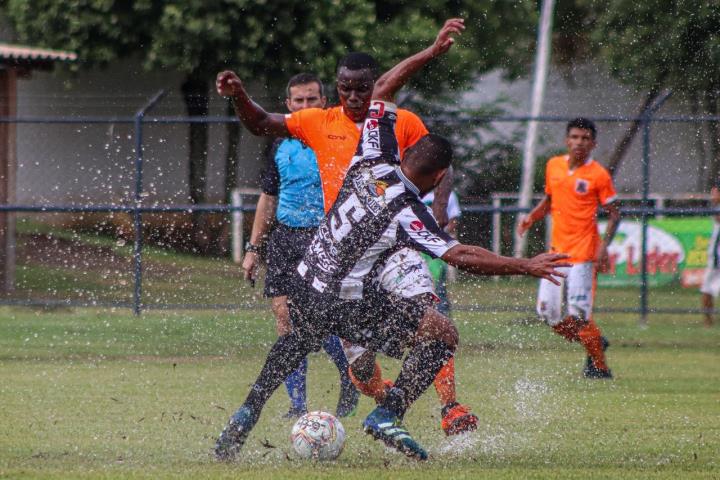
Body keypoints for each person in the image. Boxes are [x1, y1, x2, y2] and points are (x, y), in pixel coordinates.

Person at [214, 96, 570, 461]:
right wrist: (525, 265)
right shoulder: (407, 210)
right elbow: (459, 255)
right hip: (341, 301)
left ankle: (244, 416)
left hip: (305, 283)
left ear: (407, 152)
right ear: (438, 177)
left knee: (295, 342)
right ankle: (388, 413)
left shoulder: (370, 160)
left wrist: (428, 52)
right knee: (442, 332)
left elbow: (379, 93)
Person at [216, 18, 480, 436]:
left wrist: (441, 211)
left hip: (394, 247)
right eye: (346, 88)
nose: (355, 96)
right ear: (336, 88)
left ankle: (450, 406)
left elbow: (437, 164)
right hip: (343, 255)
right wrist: (240, 96)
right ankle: (385, 404)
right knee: (358, 367)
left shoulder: (399, 120)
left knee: (434, 321)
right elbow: (262, 124)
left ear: (374, 86)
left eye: (363, 88)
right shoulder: (318, 122)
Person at [243, 72, 359, 418]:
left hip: (325, 238)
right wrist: (252, 249)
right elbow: (268, 199)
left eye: (312, 99)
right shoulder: (281, 145)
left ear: (324, 102)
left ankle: (351, 379)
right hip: (285, 240)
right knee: (285, 321)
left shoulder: (340, 137)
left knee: (323, 323)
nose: (306, 106)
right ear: (288, 105)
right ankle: (297, 406)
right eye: (299, 101)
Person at [518, 118, 621, 379]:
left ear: (593, 144)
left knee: (579, 316)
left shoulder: (598, 174)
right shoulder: (554, 166)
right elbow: (550, 200)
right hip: (556, 253)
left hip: (584, 255)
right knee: (547, 314)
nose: (579, 142)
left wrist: (603, 247)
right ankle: (595, 341)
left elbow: (614, 213)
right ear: (567, 140)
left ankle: (600, 367)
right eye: (575, 137)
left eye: (585, 138)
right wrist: (531, 217)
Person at [421, 190, 462, 316]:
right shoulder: (415, 190)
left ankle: (442, 316)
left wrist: (439, 234)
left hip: (437, 246)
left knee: (438, 283)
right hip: (417, 246)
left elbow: (454, 219)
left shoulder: (448, 194)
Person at [700, 185, 720, 327]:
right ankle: (708, 320)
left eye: (715, 193)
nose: (712, 196)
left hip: (717, 255)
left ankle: (708, 320)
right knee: (707, 287)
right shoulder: (716, 207)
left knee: (707, 288)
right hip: (716, 255)